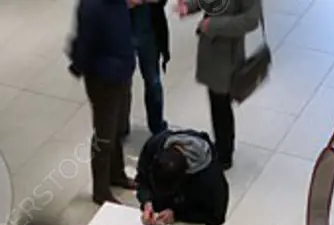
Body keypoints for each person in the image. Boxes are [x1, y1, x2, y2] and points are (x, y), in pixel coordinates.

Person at [175, 0, 261, 171]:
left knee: (221, 103)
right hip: (212, 50)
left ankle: (224, 153)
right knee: (217, 101)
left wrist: (213, 25)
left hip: (227, 54)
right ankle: (222, 147)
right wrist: (189, 6)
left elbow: (251, 20)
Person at [69, 0, 136, 205]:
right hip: (104, 79)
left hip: (123, 72)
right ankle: (101, 189)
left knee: (118, 128)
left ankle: (117, 174)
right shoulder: (92, 6)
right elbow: (84, 43)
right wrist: (79, 67)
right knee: (105, 134)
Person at [136, 128, 229, 225]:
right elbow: (142, 179)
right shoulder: (154, 146)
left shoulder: (210, 179)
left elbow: (216, 216)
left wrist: (178, 215)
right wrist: (147, 201)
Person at [123, 0, 170, 138]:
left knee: (153, 81)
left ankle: (157, 125)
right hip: (122, 27)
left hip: (149, 28)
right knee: (122, 83)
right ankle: (120, 126)